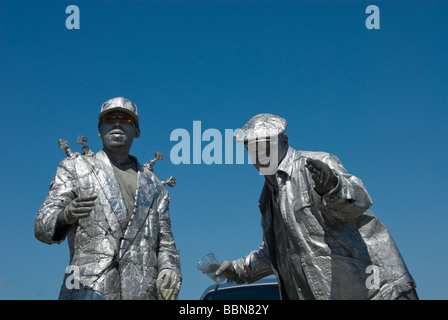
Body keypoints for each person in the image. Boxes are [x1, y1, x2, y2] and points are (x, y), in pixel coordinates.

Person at [214, 113, 418, 300]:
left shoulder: (315, 165)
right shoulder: (268, 196)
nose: (260, 154)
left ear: (284, 142)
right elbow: (275, 254)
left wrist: (333, 186)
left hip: (379, 292)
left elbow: (359, 200)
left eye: (266, 146)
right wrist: (235, 270)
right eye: (252, 148)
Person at [35, 97, 182, 300]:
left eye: (125, 119)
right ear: (99, 130)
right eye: (108, 119)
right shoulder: (76, 168)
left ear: (137, 132)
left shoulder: (155, 186)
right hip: (87, 290)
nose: (116, 123)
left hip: (141, 293)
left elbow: (165, 242)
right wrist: (64, 216)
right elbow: (41, 226)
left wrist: (169, 269)